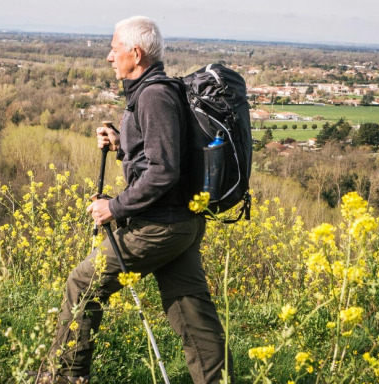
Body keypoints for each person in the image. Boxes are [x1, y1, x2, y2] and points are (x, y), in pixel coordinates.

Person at [40, 15, 229, 384]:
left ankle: (65, 377)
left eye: (114, 49)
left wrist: (114, 206)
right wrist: (120, 143)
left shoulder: (154, 95)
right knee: (193, 314)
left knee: (83, 284)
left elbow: (164, 170)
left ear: (135, 53)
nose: (110, 57)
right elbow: (155, 155)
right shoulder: (158, 90)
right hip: (182, 222)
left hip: (160, 226)